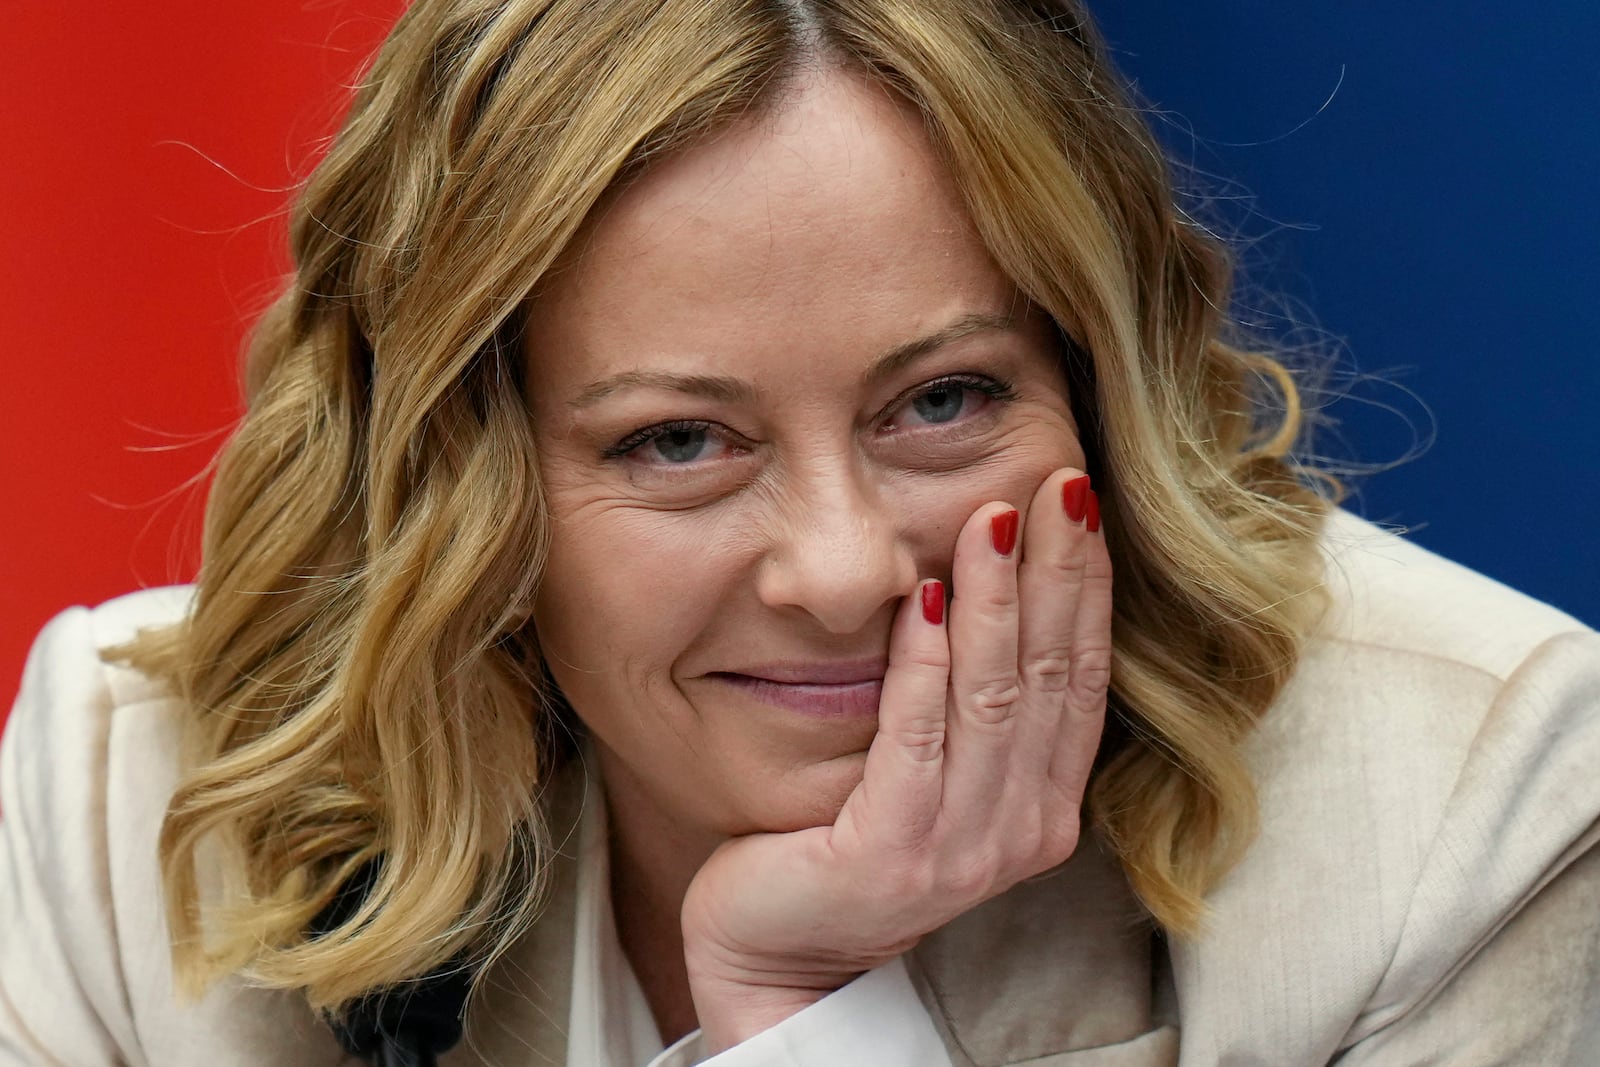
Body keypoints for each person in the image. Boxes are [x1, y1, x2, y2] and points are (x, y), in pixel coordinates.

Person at [3, 0, 1597, 1063]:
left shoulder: (1473, 809)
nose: (840, 572)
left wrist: (799, 1017)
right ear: (456, 475)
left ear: (1103, 386)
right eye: (677, 441)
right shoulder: (130, 791)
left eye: (945, 403)